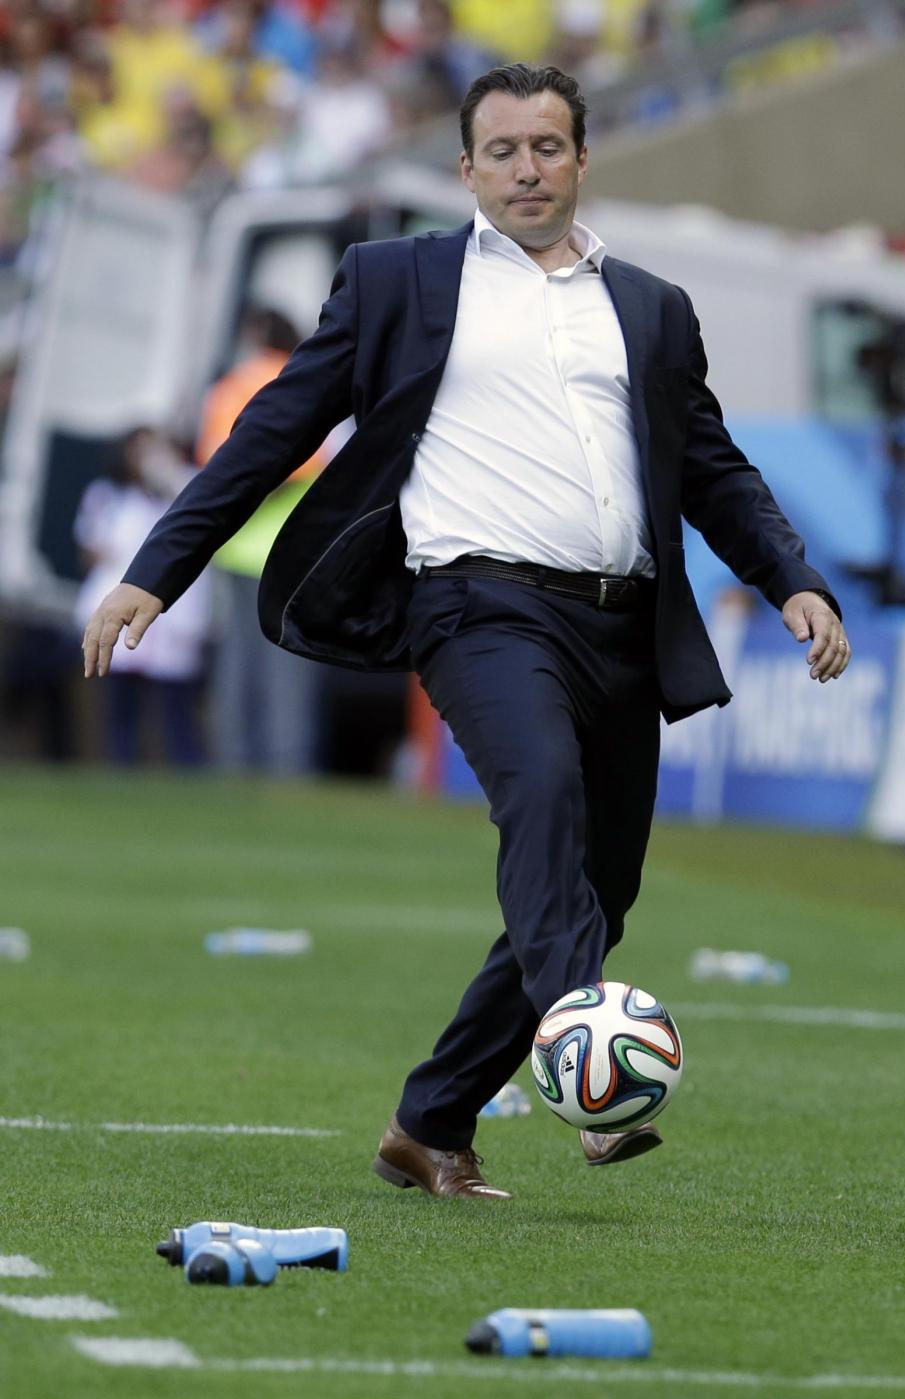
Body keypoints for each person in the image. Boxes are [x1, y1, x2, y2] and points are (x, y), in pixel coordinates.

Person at [83, 63, 850, 1199]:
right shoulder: (394, 280)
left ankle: (431, 1120)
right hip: (475, 605)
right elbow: (267, 433)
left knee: (600, 885)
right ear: (467, 169)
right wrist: (156, 572)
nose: (525, 169)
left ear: (581, 159)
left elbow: (714, 469)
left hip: (622, 623)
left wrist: (793, 579)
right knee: (540, 790)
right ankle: (591, 1063)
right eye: (502, 151)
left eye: (546, 147)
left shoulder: (652, 306)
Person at [195, 305, 328, 775]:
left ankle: (232, 759)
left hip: (236, 546)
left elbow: (214, 465)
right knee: (289, 664)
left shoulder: (229, 388)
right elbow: (309, 464)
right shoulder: (306, 379)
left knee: (235, 660)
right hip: (292, 550)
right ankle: (286, 766)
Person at [75, 427, 210, 766]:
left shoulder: (185, 486)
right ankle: (121, 769)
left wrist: (166, 475)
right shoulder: (109, 495)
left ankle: (187, 771)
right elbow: (92, 548)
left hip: (173, 615)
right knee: (120, 705)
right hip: (120, 608)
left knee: (176, 706)